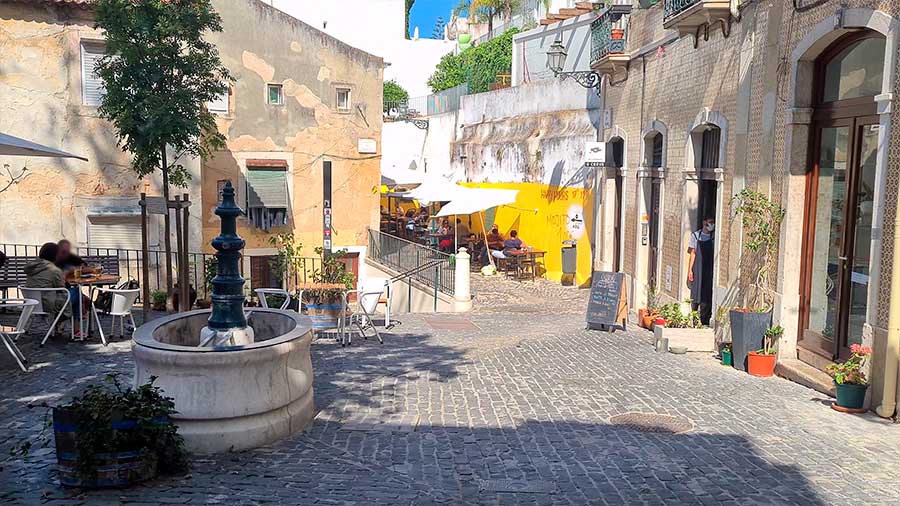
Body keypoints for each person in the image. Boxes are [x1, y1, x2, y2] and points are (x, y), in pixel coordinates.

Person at [24, 242, 77, 337]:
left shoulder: (32, 267)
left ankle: (72, 328)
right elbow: (61, 287)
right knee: (77, 293)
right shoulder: (54, 270)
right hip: (47, 303)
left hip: (32, 303)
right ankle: (76, 330)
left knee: (78, 296)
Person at [687, 216, 715, 326]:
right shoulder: (695, 236)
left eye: (712, 222)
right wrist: (690, 270)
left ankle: (704, 319)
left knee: (707, 294)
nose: (711, 225)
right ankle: (694, 317)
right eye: (709, 222)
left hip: (709, 268)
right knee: (696, 293)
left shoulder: (713, 236)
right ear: (704, 222)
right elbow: (692, 253)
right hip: (698, 268)